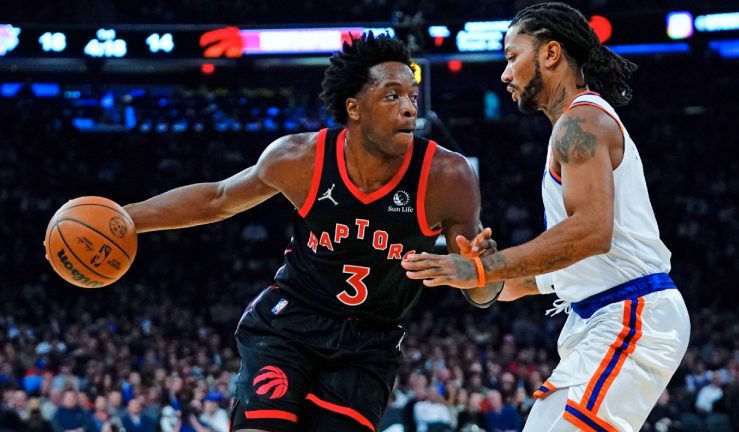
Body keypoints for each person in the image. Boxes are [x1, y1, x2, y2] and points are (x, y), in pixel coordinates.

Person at [122, 32, 500, 432]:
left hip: (369, 342)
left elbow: (480, 293)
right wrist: (126, 219)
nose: (409, 108)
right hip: (289, 325)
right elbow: (217, 199)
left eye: (411, 95)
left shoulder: (448, 175)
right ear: (354, 108)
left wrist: (483, 269)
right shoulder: (300, 158)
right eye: (392, 96)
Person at [402, 3, 690, 431]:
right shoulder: (571, 129)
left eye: (511, 56)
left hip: (631, 314)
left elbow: (592, 232)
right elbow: (544, 273)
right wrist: (477, 278)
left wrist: (484, 265)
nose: (504, 74)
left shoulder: (582, 121)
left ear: (550, 53)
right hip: (599, 319)